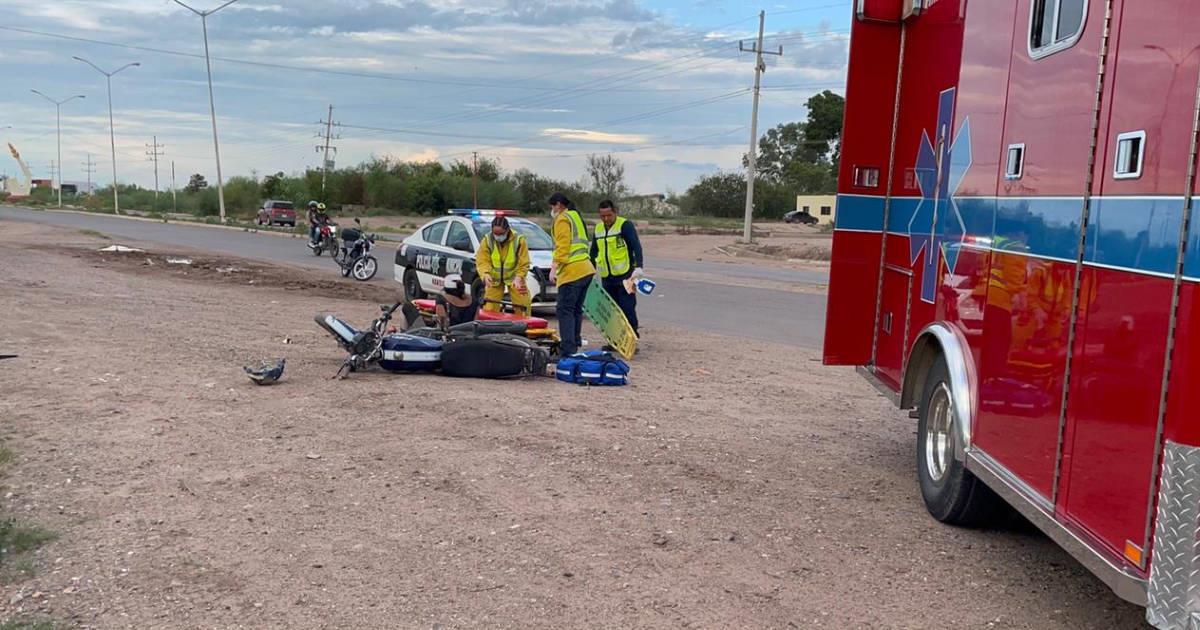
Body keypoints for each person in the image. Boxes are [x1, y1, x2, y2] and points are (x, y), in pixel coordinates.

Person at [547, 192, 595, 357]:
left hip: (572, 271)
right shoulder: (576, 217)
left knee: (565, 311)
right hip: (586, 269)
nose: (552, 210)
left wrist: (554, 267)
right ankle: (574, 344)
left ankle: (567, 350)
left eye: (552, 207)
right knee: (575, 310)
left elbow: (563, 245)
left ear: (559, 205)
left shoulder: (563, 218)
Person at [590, 200, 643, 336]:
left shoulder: (625, 225)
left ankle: (632, 337)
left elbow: (636, 247)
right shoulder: (598, 229)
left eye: (609, 215)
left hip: (627, 275)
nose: (606, 219)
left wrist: (639, 267)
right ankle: (615, 339)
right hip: (607, 277)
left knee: (627, 308)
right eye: (603, 216)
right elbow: (594, 251)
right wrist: (590, 270)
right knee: (611, 310)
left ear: (615, 212)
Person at [475, 215, 532, 317]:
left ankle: (525, 330)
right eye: (495, 233)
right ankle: (490, 331)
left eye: (501, 234)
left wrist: (519, 276)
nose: (498, 236)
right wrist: (485, 274)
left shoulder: (518, 240)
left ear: (507, 230)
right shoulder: (487, 240)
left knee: (523, 306)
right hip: (494, 280)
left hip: (515, 279)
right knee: (489, 308)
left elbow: (524, 262)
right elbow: (482, 260)